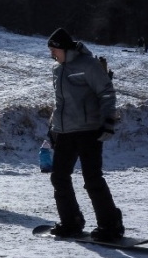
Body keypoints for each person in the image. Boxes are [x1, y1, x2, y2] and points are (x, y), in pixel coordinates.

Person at [46, 28, 123, 241]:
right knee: (59, 177)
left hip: (89, 131)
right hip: (65, 132)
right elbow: (60, 102)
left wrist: (108, 121)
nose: (52, 54)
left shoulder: (89, 65)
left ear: (63, 48)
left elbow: (106, 92)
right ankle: (71, 222)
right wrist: (53, 128)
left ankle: (111, 225)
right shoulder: (57, 69)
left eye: (54, 50)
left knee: (92, 179)